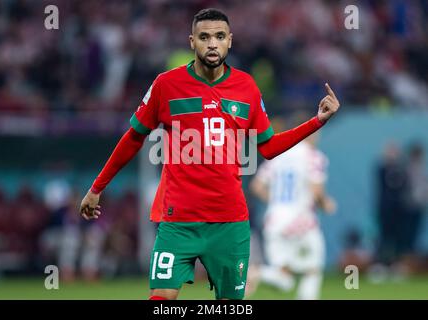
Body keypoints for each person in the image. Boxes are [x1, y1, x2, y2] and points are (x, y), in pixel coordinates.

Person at [79, 8, 340, 300]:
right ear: (192, 41)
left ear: (230, 41)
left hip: (230, 224)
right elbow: (132, 138)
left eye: (219, 36)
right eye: (204, 37)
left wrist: (316, 121)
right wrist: (96, 188)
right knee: (161, 298)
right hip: (178, 221)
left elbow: (269, 147)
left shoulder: (247, 88)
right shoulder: (166, 85)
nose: (212, 43)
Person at [249, 132, 336, 300]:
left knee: (284, 278)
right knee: (313, 269)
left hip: (274, 220)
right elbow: (317, 190)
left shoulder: (276, 157)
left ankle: (259, 272)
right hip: (301, 220)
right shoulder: (313, 156)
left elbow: (256, 186)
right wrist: (326, 204)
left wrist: (275, 200)